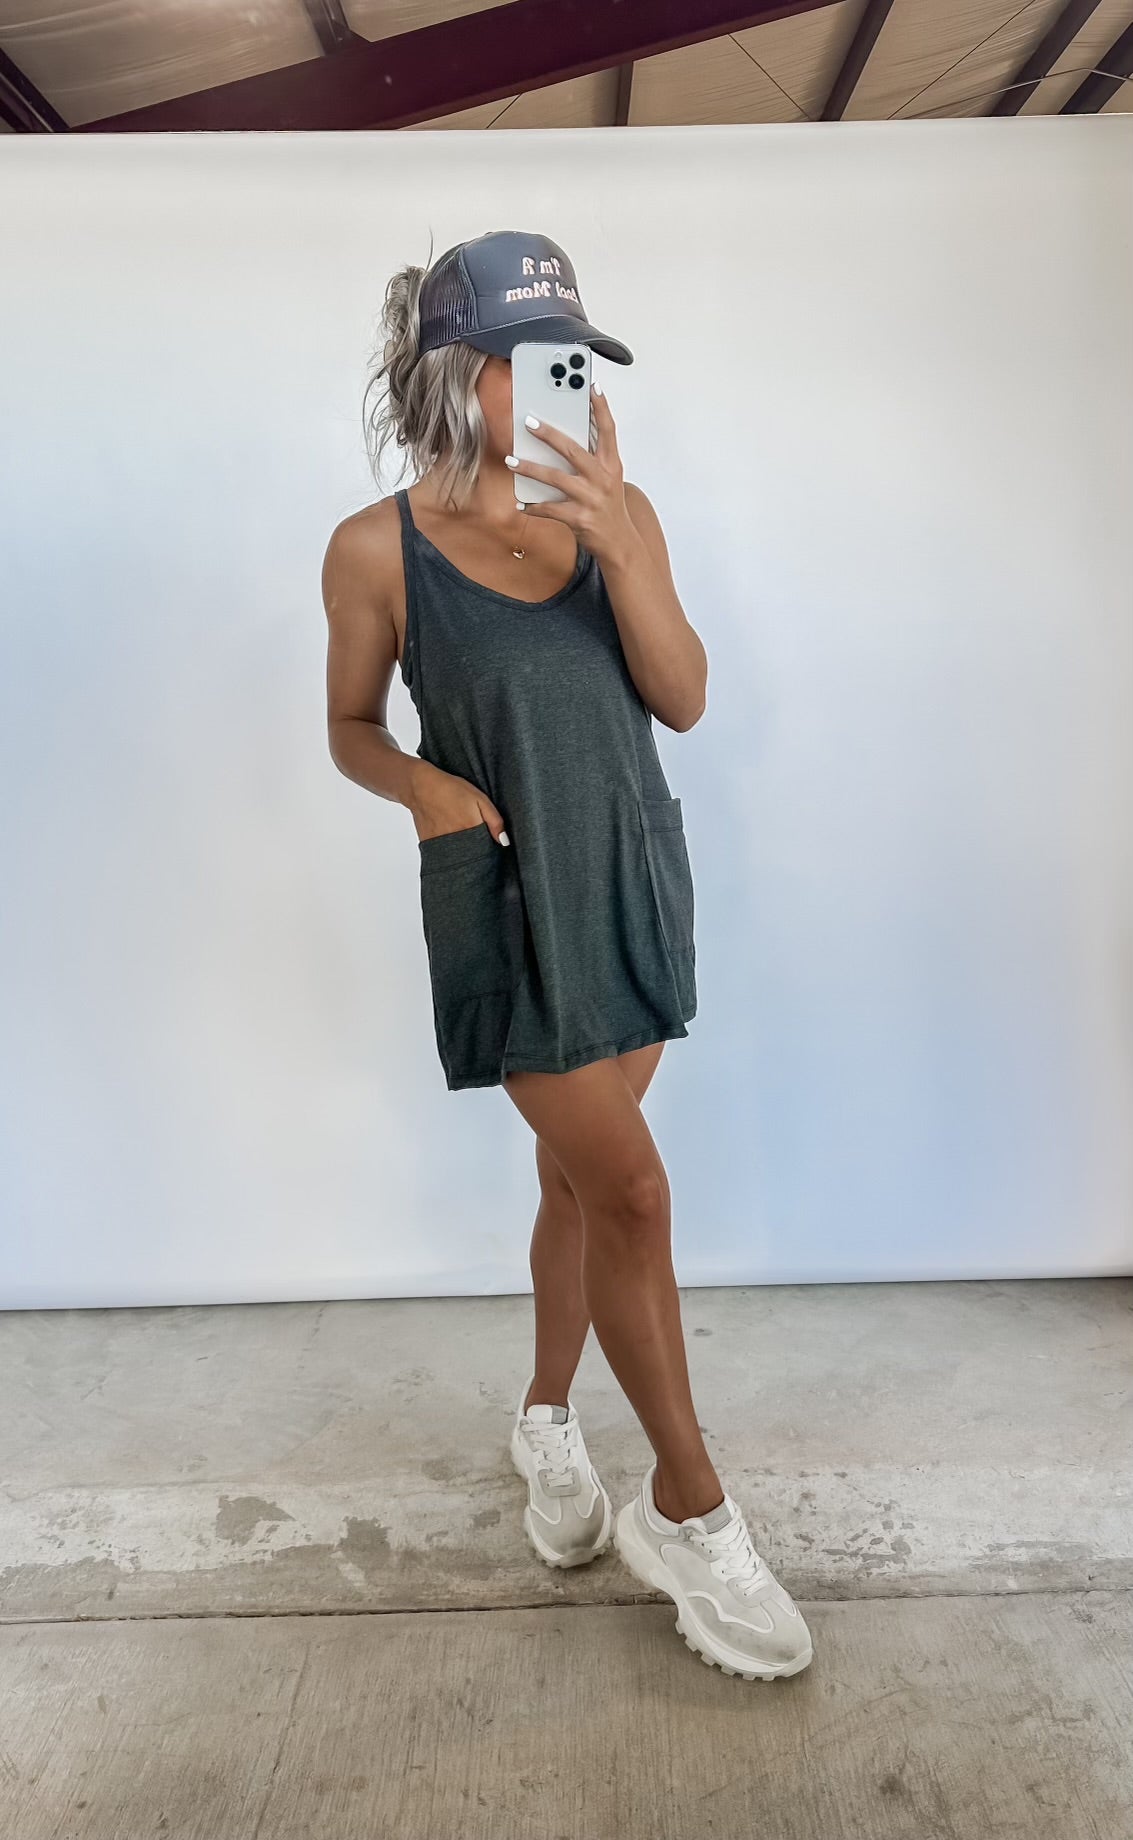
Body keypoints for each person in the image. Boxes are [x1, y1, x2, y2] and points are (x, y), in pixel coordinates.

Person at [321, 229, 812, 1680]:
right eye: (536, 360)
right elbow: (348, 728)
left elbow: (684, 696)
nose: (571, 384)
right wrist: (425, 788)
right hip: (508, 899)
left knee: (574, 1186)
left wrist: (620, 545)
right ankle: (689, 1512)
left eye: (581, 359)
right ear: (455, 373)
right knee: (634, 1194)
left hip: (629, 880)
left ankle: (544, 1418)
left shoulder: (619, 510)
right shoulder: (374, 551)